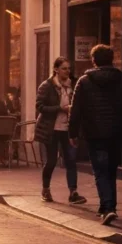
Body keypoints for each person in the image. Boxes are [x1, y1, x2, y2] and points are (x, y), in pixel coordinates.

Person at [69, 44, 122, 225]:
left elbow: (75, 110)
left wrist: (73, 133)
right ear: (112, 60)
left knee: (100, 171)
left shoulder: (84, 81)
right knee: (111, 170)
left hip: (94, 133)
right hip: (116, 133)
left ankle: (108, 208)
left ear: (93, 60)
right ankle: (107, 206)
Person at [36, 57, 86, 205]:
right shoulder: (46, 86)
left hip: (67, 129)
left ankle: (73, 192)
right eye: (64, 68)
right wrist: (60, 109)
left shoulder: (73, 86)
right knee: (51, 161)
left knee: (71, 160)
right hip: (51, 129)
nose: (67, 71)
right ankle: (45, 189)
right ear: (56, 70)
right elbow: (40, 107)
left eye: (69, 68)